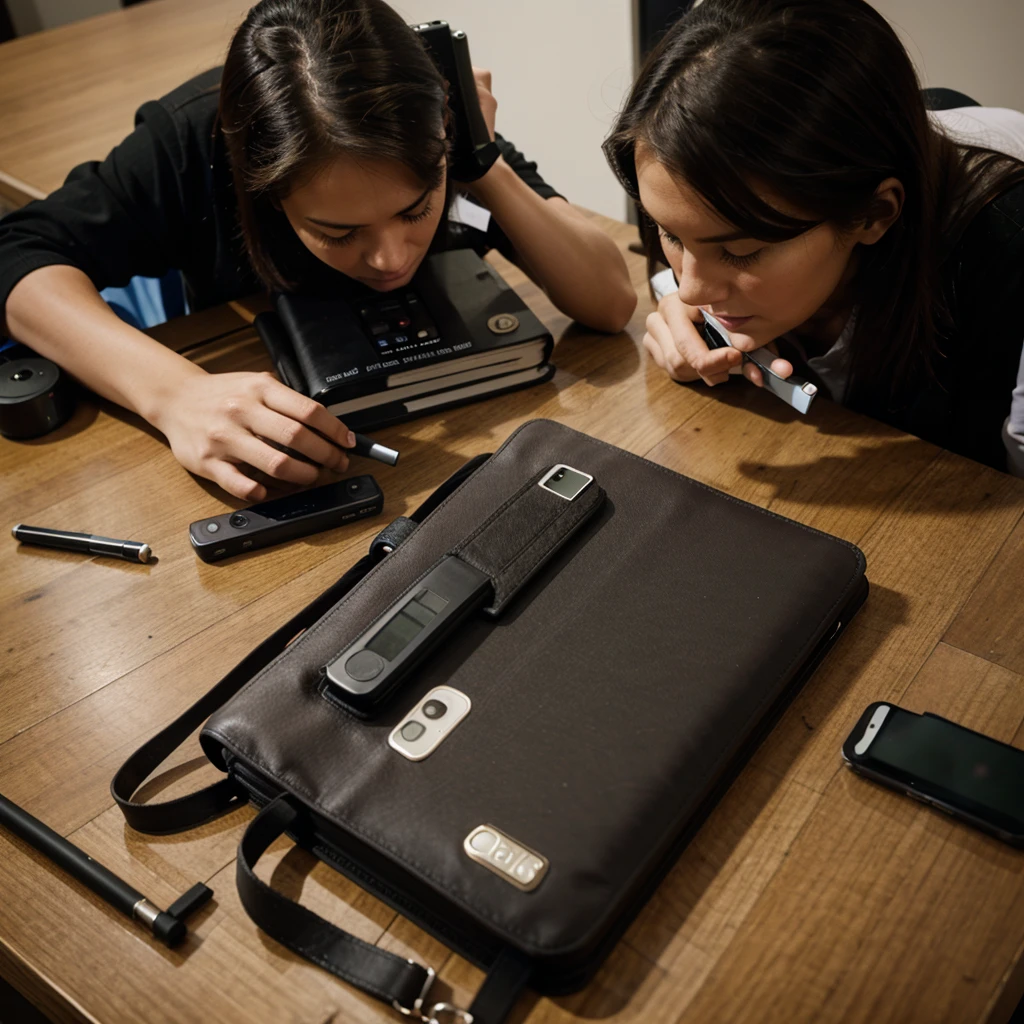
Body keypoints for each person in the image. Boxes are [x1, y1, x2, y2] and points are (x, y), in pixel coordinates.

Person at [0, 0, 636, 500]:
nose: (391, 257)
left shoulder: (418, 116)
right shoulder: (195, 141)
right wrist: (172, 394)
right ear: (261, 183)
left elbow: (608, 301)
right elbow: (20, 250)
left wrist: (477, 157)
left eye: (415, 210)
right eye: (338, 232)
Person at [603, 0, 1024, 475]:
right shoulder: (693, 185)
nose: (692, 289)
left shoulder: (1002, 253)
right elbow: (678, 287)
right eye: (671, 235)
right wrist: (677, 319)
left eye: (740, 251)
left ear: (874, 214)